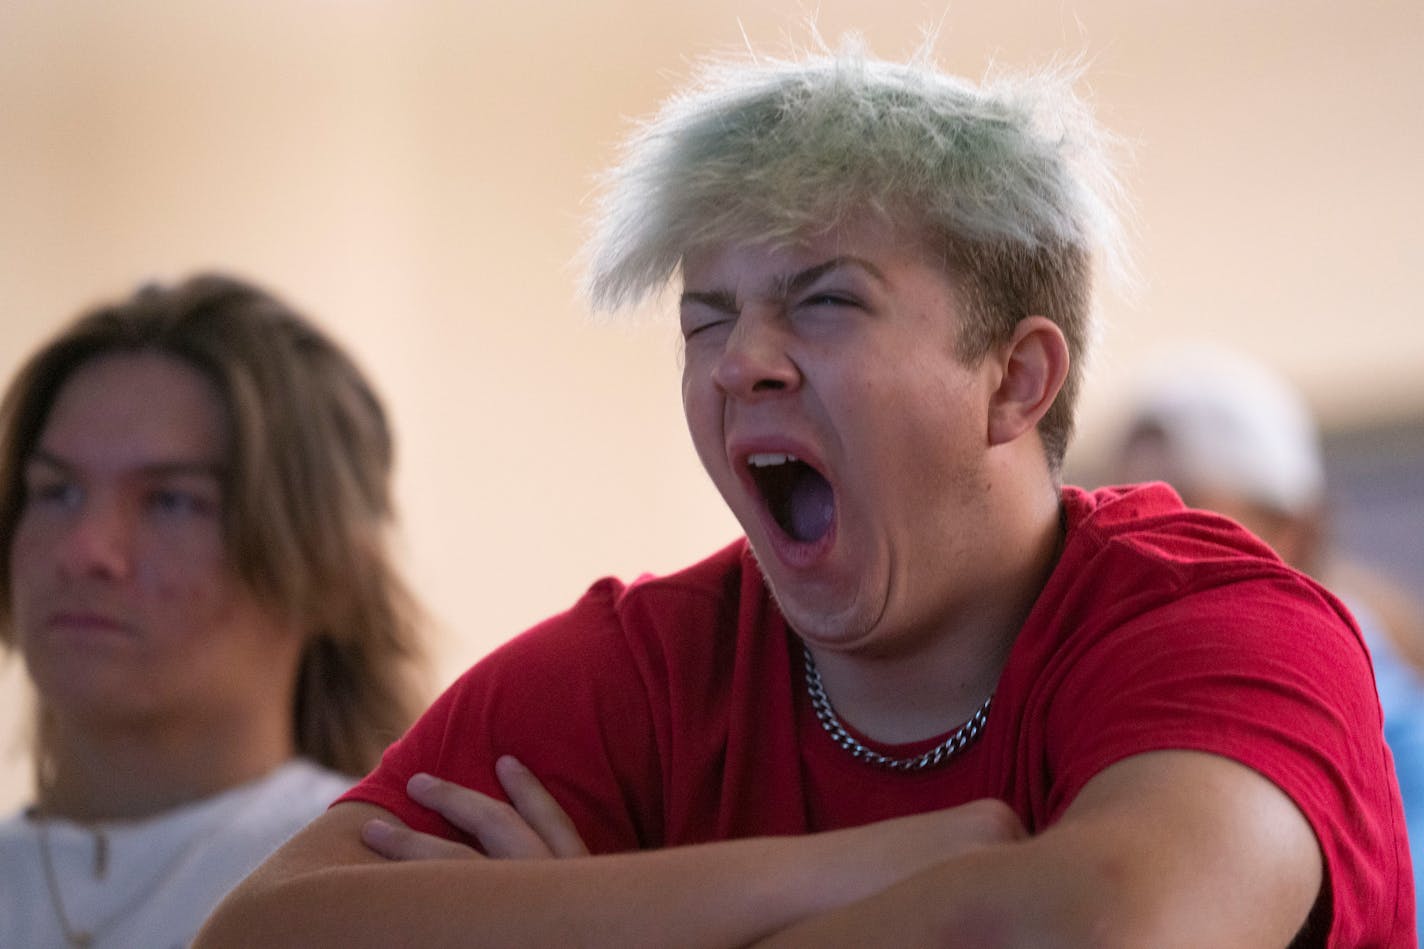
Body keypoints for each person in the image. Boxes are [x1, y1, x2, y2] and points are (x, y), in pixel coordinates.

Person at [198, 42, 1412, 948]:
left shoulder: (1215, 621)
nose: (739, 363)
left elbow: (1104, 924)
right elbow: (262, 935)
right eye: (705, 317)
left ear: (1015, 378)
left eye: (823, 300)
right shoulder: (649, 666)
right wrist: (876, 867)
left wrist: (578, 919)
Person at [0, 273, 425, 948]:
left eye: (172, 501)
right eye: (55, 491)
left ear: (326, 568)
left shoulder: (399, 883)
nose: (86, 551)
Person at [1107, 341, 1424, 938]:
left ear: (1297, 532)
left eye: (1188, 513)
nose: (1143, 549)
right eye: (1125, 511)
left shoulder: (1388, 740)